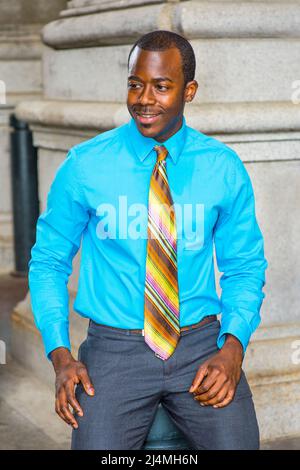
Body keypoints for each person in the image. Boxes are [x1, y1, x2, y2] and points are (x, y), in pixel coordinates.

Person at [28, 30, 268, 450]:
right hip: (113, 348)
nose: (144, 98)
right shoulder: (86, 165)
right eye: (135, 84)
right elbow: (48, 260)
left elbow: (244, 267)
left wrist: (233, 348)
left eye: (161, 86)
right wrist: (60, 354)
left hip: (199, 344)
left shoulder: (222, 168)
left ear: (188, 91)